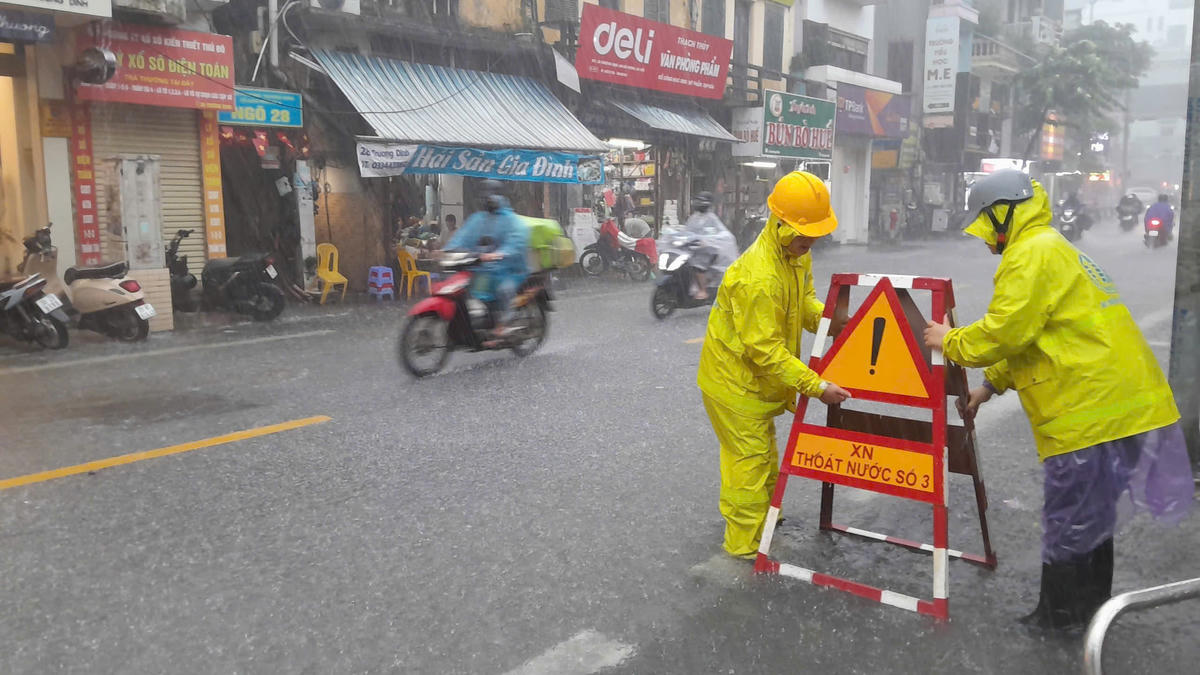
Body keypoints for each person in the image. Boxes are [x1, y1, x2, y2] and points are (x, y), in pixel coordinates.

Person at [922, 170, 1194, 631]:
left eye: (986, 225)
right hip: (1124, 410)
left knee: (1070, 518)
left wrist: (949, 340)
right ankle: (1090, 613)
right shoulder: (1051, 245)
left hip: (1091, 413)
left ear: (1004, 214)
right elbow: (1038, 337)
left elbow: (1004, 332)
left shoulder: (1030, 254)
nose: (984, 238)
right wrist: (988, 388)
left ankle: (1058, 621)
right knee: (1093, 517)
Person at [697, 172, 853, 560]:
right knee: (748, 463)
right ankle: (743, 545)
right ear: (781, 225)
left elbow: (805, 305)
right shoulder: (758, 278)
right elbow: (764, 350)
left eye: (815, 236)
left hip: (755, 381)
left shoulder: (795, 254)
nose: (810, 243)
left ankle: (764, 518)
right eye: (805, 236)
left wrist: (836, 321)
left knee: (764, 453)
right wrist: (816, 386)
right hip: (734, 382)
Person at [446, 180, 529, 345]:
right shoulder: (478, 219)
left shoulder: (511, 220)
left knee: (504, 290)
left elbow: (516, 240)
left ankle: (502, 325)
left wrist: (500, 253)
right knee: (464, 289)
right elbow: (463, 236)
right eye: (485, 197)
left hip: (509, 270)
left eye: (491, 196)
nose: (488, 200)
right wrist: (448, 250)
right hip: (483, 270)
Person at [681, 191, 730, 300]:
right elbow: (687, 230)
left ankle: (703, 290)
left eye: (701, 201)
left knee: (698, 265)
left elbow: (720, 233)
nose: (698, 203)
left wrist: (707, 240)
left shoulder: (711, 218)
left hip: (709, 250)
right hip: (695, 249)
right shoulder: (694, 217)